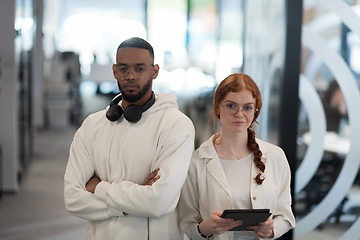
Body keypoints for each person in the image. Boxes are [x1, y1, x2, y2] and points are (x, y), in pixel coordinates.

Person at [64, 37, 195, 240]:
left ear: (155, 71)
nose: (130, 76)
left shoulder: (176, 125)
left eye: (140, 69)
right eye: (123, 69)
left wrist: (99, 188)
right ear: (115, 71)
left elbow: (158, 202)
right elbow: (72, 198)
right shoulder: (92, 125)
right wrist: (136, 198)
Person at [179, 73, 295, 240]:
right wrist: (206, 227)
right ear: (217, 107)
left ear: (256, 111)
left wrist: (271, 230)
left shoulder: (276, 156)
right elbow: (187, 224)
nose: (239, 114)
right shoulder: (196, 161)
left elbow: (285, 215)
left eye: (247, 107)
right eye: (231, 106)